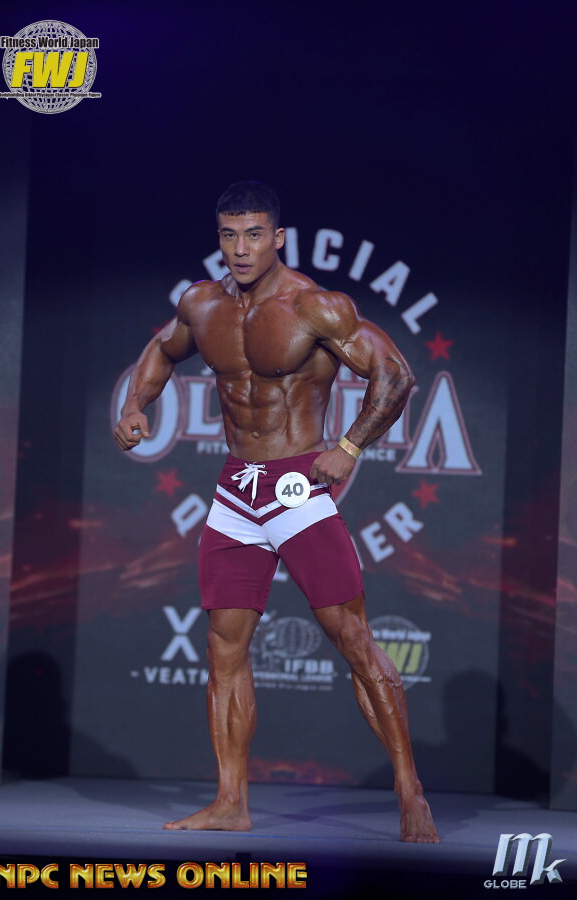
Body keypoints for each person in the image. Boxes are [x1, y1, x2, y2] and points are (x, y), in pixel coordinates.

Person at [114, 181, 439, 843]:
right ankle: (230, 802)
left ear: (278, 238)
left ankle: (411, 793)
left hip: (298, 485)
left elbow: (396, 374)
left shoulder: (314, 306)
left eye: (254, 234)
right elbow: (164, 351)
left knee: (352, 639)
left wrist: (350, 446)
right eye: (230, 235)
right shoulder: (202, 304)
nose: (241, 248)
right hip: (237, 489)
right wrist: (134, 404)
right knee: (223, 649)